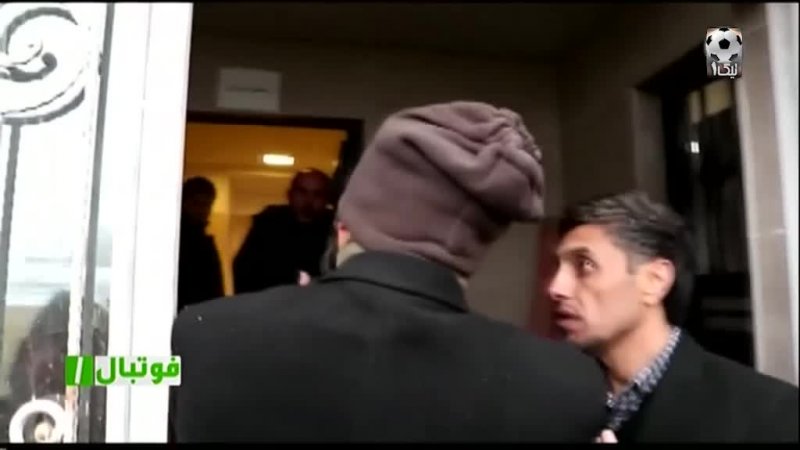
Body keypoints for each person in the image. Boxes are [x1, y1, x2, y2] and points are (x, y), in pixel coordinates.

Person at [170, 102, 608, 442]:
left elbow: (123, 376)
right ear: (482, 243)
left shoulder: (201, 336)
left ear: (344, 227)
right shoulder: (566, 388)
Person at [548, 190, 799, 442]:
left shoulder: (769, 414)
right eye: (557, 267)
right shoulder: (549, 397)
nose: (556, 288)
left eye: (584, 265)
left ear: (655, 281)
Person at [233, 169, 334, 294]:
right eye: (302, 192)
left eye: (317, 194)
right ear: (290, 194)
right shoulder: (268, 226)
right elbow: (245, 270)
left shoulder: (335, 232)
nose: (309, 199)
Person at [177, 177, 224, 312]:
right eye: (196, 203)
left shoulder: (202, 242)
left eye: (206, 205)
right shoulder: (183, 241)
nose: (202, 210)